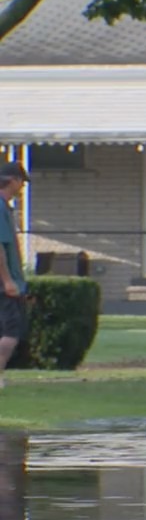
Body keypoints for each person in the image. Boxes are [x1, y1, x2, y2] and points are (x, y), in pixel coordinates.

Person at [0, 161, 29, 390]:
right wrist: (8, 280)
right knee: (11, 330)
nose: (22, 187)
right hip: (4, 283)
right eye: (22, 182)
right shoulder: (0, 207)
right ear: (13, 180)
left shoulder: (5, 207)